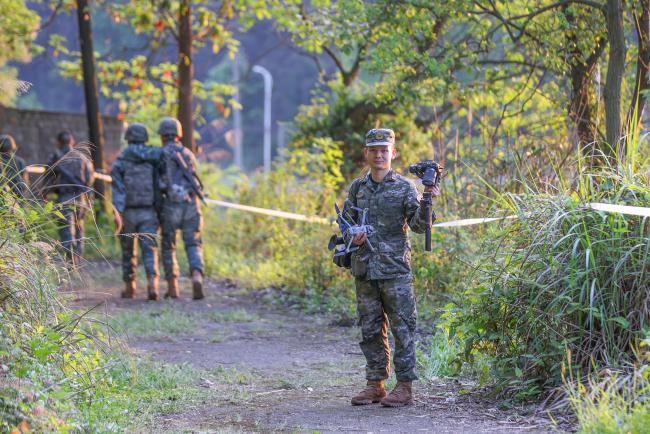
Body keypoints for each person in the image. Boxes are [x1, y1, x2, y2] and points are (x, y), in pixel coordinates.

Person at [344, 128, 441, 407]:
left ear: (393, 153)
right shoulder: (357, 188)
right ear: (366, 153)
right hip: (365, 269)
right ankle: (375, 385)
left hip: (395, 271)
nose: (378, 155)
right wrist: (352, 235)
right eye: (373, 150)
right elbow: (346, 224)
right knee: (370, 329)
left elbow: (421, 227)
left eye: (384, 150)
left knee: (403, 329)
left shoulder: (403, 187)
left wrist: (427, 198)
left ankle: (405, 388)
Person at [111, 123, 164, 300]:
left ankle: (130, 288)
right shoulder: (152, 161)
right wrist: (159, 213)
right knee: (149, 249)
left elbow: (118, 190)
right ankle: (152, 284)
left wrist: (118, 213)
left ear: (128, 139)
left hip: (128, 212)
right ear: (144, 138)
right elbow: (157, 190)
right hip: (148, 212)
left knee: (128, 251)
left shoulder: (120, 162)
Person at [158, 117, 205, 300]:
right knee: (194, 244)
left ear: (162, 136)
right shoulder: (188, 154)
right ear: (178, 134)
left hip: (171, 205)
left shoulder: (160, 154)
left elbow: (158, 183)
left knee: (169, 247)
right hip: (191, 204)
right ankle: (196, 276)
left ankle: (173, 287)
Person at [46, 130, 94, 266]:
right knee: (80, 226)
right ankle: (79, 255)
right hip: (80, 197)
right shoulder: (83, 158)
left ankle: (71, 258)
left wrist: (46, 195)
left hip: (64, 198)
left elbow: (48, 179)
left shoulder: (55, 157)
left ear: (58, 143)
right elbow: (89, 178)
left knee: (66, 228)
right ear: (72, 142)